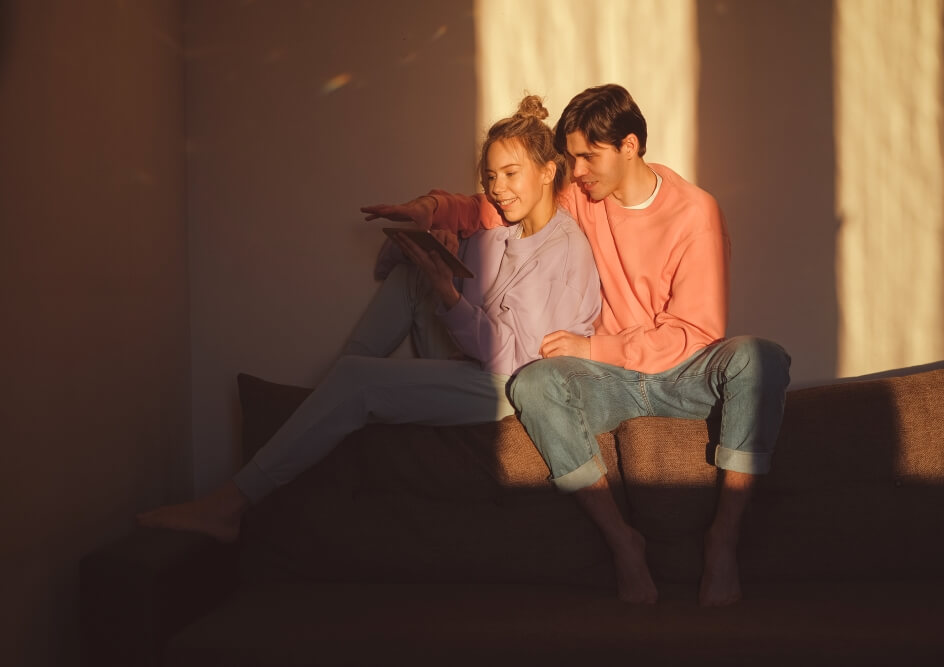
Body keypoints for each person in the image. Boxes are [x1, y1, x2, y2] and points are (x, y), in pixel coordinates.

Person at [363, 84, 791, 607]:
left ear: (629, 146)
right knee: (534, 381)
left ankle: (723, 541)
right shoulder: (585, 196)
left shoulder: (696, 213)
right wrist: (431, 209)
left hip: (681, 373)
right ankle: (622, 543)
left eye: (588, 156)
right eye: (571, 157)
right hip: (609, 382)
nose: (577, 169)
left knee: (760, 357)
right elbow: (494, 208)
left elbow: (695, 335)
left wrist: (594, 351)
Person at [138, 95, 601, 541]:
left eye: (510, 173)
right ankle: (334, 397)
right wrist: (436, 249)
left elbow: (513, 360)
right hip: (480, 362)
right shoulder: (500, 237)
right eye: (490, 176)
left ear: (548, 171)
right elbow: (389, 269)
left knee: (360, 378)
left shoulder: (564, 251)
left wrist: (448, 291)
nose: (496, 188)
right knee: (410, 280)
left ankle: (229, 505)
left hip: (511, 387)